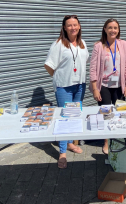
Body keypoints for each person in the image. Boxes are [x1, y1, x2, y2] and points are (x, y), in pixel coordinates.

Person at [44, 15, 89, 169]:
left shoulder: (82, 43)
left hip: (80, 85)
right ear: (64, 27)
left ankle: (70, 143)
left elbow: (84, 61)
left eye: (75, 24)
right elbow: (49, 65)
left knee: (74, 116)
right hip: (64, 87)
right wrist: (58, 77)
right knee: (64, 118)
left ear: (79, 26)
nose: (73, 28)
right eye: (69, 25)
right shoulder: (58, 44)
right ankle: (62, 152)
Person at [90, 18, 126, 154]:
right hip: (104, 86)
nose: (113, 30)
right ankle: (106, 141)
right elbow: (93, 69)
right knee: (106, 114)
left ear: (118, 30)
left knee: (120, 112)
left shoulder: (123, 44)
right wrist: (95, 88)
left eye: (115, 28)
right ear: (105, 29)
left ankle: (119, 138)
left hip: (119, 86)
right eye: (110, 28)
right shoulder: (98, 46)